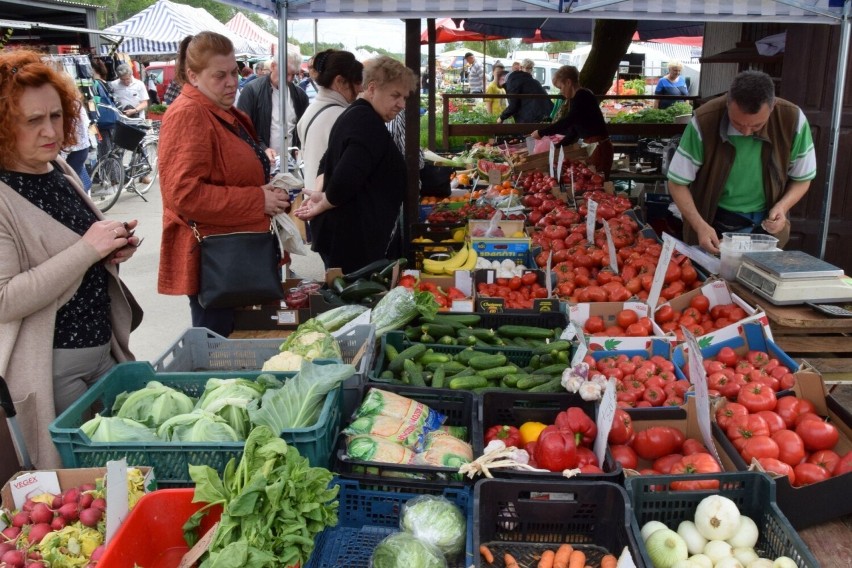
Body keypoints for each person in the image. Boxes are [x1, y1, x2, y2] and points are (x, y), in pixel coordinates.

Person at [0, 49, 142, 469]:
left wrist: (109, 251)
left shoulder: (58, 169)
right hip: (51, 369)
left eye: (57, 115)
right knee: (83, 483)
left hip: (103, 351)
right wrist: (87, 250)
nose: (51, 130)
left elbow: (76, 252)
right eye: (32, 120)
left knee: (122, 474)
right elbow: (5, 298)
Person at [158, 32, 290, 337]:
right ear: (193, 75)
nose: (232, 81)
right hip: (220, 263)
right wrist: (258, 201)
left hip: (237, 257)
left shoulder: (220, 110)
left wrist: (267, 190)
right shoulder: (189, 114)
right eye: (220, 75)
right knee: (221, 354)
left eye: (234, 72)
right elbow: (184, 195)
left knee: (238, 348)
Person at [667, 70, 817, 254]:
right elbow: (677, 182)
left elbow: (802, 178)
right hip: (714, 221)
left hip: (766, 226)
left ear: (773, 106)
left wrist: (782, 206)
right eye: (737, 123)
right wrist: (699, 225)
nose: (746, 132)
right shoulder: (705, 120)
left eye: (756, 125)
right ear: (727, 102)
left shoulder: (792, 120)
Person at [295, 56, 418, 273]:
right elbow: (346, 177)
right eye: (395, 96)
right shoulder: (366, 122)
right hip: (354, 240)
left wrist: (321, 193)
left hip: (350, 236)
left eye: (405, 97)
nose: (402, 104)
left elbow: (327, 161)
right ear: (372, 89)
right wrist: (324, 201)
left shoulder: (355, 114)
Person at [296, 49, 363, 193]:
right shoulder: (343, 117)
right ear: (340, 81)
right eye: (357, 82)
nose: (360, 88)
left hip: (312, 203)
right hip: (330, 207)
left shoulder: (311, 109)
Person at [531, 65, 614, 179]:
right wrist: (558, 147)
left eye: (561, 87)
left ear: (568, 82)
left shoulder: (582, 96)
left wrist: (542, 132)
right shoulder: (577, 98)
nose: (561, 92)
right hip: (593, 146)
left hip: (599, 147)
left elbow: (568, 121)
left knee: (597, 183)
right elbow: (574, 130)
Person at [237, 51, 309, 159]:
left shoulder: (300, 96)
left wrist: (299, 148)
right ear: (273, 66)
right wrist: (262, 148)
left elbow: (303, 129)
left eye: (293, 74)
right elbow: (242, 127)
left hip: (291, 164)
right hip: (260, 162)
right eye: (286, 73)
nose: (289, 79)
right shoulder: (252, 90)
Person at [497, 59, 553, 124]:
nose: (528, 70)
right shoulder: (535, 82)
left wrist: (501, 117)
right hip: (547, 117)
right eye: (528, 68)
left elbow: (513, 105)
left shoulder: (513, 81)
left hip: (532, 120)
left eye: (530, 68)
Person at [61, 84, 93, 191]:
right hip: (81, 147)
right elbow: (85, 124)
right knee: (76, 177)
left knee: (73, 182)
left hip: (74, 148)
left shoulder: (69, 106)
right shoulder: (77, 103)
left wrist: (64, 154)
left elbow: (71, 131)